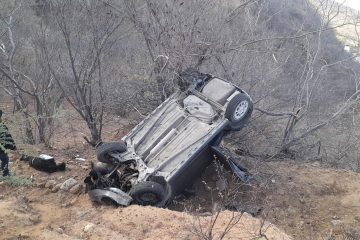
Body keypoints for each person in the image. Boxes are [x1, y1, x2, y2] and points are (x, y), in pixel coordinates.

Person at [0, 110, 16, 176]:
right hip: (1, 148)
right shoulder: (2, 126)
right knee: (5, 159)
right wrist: (13, 146)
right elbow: (8, 137)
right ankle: (5, 174)